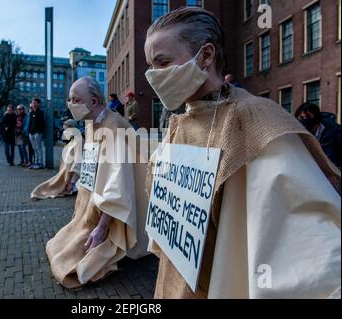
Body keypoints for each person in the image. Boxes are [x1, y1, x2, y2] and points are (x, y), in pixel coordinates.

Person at [144, 7, 340, 299]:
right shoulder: (180, 121)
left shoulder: (256, 120)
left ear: (206, 56)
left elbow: (309, 246)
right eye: (150, 66)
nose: (153, 76)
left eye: (163, 63)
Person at [45, 76, 149, 288]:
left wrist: (102, 227)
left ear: (93, 101)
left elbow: (117, 184)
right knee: (59, 245)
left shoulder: (114, 127)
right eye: (69, 99)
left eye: (75, 99)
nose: (70, 104)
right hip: (94, 208)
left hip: (117, 210)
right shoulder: (91, 124)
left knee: (72, 259)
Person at [31, 119, 82, 200]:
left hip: (72, 177)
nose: (64, 132)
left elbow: (78, 164)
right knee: (48, 186)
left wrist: (72, 182)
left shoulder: (78, 142)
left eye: (66, 130)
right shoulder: (71, 142)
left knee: (51, 187)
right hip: (66, 175)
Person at [295, 102, 341, 169]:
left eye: (307, 116)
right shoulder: (302, 134)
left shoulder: (336, 132)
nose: (303, 120)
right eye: (301, 118)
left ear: (316, 117)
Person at [28, 98, 45, 169]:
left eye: (35, 103)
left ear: (38, 104)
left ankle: (40, 163)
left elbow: (42, 123)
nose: (33, 104)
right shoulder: (32, 113)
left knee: (38, 148)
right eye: (32, 103)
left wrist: (39, 131)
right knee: (34, 148)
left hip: (37, 133)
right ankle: (35, 162)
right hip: (31, 133)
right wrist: (29, 131)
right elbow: (30, 123)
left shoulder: (40, 112)